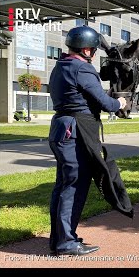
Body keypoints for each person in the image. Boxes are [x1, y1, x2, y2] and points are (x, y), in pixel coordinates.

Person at [48, 26, 129, 256]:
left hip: (61, 130)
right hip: (75, 133)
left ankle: (60, 238)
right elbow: (105, 102)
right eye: (93, 50)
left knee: (63, 187)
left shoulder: (60, 67)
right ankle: (66, 243)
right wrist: (120, 103)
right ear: (85, 50)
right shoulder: (81, 69)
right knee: (73, 188)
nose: (93, 54)